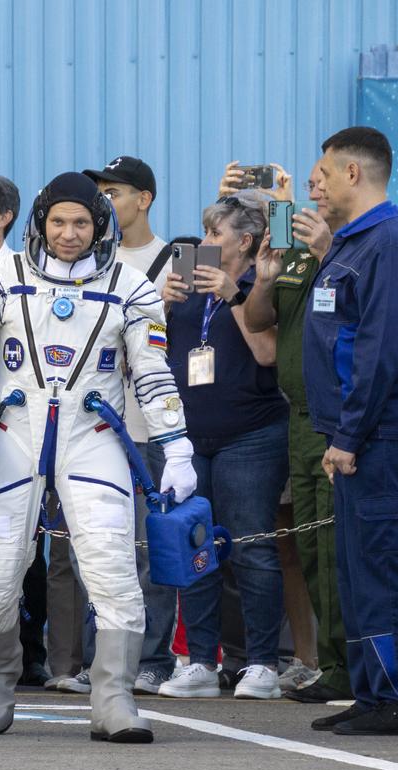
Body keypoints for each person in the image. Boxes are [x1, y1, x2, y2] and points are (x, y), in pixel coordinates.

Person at [0, 172, 195, 744]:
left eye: (81, 222)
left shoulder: (131, 286)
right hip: (12, 437)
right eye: (58, 221)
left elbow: (152, 373)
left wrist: (176, 444)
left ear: (99, 226)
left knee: (112, 569)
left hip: (93, 437)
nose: (69, 233)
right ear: (40, 223)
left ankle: (114, 696)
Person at [302, 126, 398, 735]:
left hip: (379, 438)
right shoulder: (351, 245)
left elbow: (378, 350)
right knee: (356, 572)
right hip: (350, 438)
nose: (314, 185)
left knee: (380, 567)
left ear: (353, 173)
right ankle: (371, 693)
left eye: (322, 174)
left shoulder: (387, 246)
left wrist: (349, 437)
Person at [155, 191, 288, 701]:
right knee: (196, 548)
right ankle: (200, 663)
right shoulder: (187, 287)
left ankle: (262, 664)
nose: (205, 240)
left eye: (215, 233)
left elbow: (267, 352)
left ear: (246, 240)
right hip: (189, 436)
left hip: (251, 434)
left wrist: (234, 295)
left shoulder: (263, 282)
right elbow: (147, 354)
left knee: (252, 547)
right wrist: (160, 306)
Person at [242, 166, 352, 704]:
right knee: (308, 546)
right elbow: (259, 321)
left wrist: (329, 251)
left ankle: (351, 667)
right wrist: (264, 278)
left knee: (336, 548)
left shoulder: (362, 247)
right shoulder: (295, 250)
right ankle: (331, 666)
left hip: (340, 417)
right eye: (309, 182)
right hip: (299, 418)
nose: (312, 190)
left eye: (322, 179)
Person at [81, 154, 176, 693]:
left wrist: (168, 307)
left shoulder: (171, 260)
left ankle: (153, 660)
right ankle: (98, 662)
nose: (104, 202)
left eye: (113, 192)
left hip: (149, 429)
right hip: (95, 432)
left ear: (144, 199)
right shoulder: (85, 262)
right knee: (98, 547)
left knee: (150, 551)